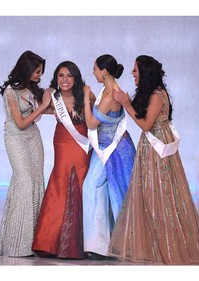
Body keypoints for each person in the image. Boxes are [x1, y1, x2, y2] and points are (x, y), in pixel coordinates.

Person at [109, 55, 199, 264]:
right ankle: (153, 245)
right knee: (150, 195)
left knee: (159, 195)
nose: (132, 73)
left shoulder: (157, 95)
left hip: (158, 149)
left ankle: (167, 246)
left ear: (145, 72)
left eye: (135, 70)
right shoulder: (153, 93)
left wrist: (126, 103)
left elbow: (146, 124)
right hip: (152, 146)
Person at [31, 61, 95, 259]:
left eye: (69, 75)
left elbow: (96, 117)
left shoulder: (86, 94)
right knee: (60, 182)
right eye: (61, 75)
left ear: (75, 78)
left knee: (83, 182)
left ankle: (85, 243)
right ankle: (50, 241)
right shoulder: (51, 96)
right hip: (62, 141)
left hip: (82, 142)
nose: (64, 80)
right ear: (56, 78)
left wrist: (85, 96)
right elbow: (40, 112)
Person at [0, 50, 51, 257]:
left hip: (33, 139)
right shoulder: (11, 91)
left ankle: (32, 242)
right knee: (25, 182)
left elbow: (45, 110)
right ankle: (16, 243)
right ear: (27, 69)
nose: (39, 75)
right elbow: (20, 123)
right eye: (37, 71)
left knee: (36, 182)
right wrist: (43, 105)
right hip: (16, 139)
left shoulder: (32, 89)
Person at [82, 54, 136, 259]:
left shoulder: (110, 95)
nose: (93, 72)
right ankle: (100, 245)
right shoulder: (108, 90)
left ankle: (106, 245)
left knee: (105, 191)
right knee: (97, 189)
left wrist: (87, 98)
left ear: (104, 71)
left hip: (113, 151)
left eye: (95, 69)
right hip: (104, 148)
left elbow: (91, 123)